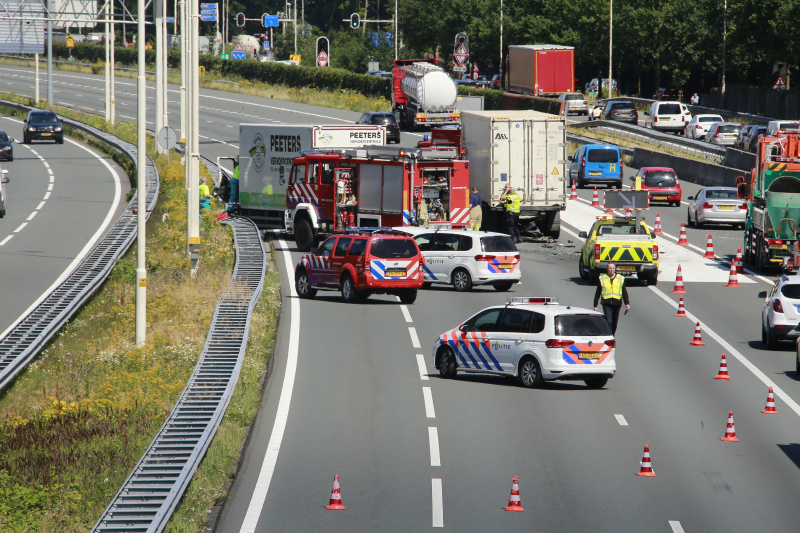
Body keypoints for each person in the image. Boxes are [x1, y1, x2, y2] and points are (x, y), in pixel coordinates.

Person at [593, 262, 630, 335]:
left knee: (614, 323)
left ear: (615, 269)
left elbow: (624, 291)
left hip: (617, 303)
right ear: (607, 269)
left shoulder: (620, 278)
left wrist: (627, 303)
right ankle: (609, 336)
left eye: (613, 268)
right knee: (608, 321)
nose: (611, 270)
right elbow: (598, 292)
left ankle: (612, 336)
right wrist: (595, 305)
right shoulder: (602, 278)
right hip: (606, 303)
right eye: (610, 268)